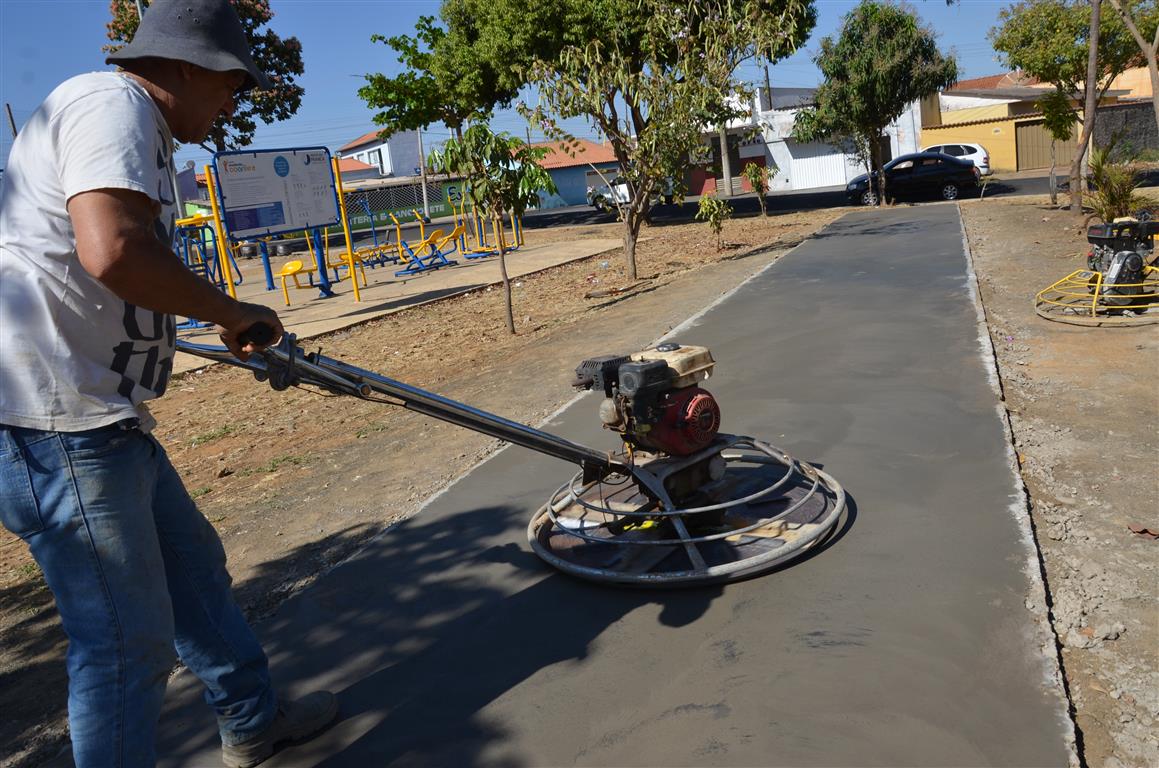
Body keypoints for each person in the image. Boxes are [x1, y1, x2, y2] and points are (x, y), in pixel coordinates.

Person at [0, 1, 337, 766]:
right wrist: (229, 307)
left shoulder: (131, 126)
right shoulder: (109, 105)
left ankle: (252, 721)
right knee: (125, 642)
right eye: (230, 87)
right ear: (188, 67)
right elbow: (113, 250)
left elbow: (112, 269)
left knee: (195, 573)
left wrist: (213, 318)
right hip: (58, 429)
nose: (232, 105)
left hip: (101, 417)